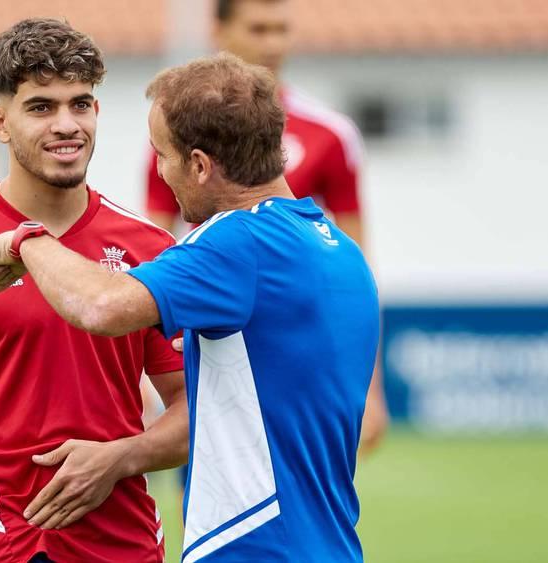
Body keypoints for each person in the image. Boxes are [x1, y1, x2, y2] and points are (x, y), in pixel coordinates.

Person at [0, 53, 379, 562]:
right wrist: (123, 456)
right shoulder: (337, 249)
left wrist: (25, 242)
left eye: (161, 155)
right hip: (330, 543)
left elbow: (100, 306)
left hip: (255, 547)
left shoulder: (237, 243)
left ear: (200, 165)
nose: (160, 173)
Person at [0, 19, 188, 563]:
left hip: (126, 547)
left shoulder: (151, 248)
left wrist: (120, 458)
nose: (66, 124)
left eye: (80, 104)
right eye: (41, 107)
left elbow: (194, 409)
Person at [144, 0, 388, 454]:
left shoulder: (330, 134)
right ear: (219, 32)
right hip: (209, 343)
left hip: (294, 354)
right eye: (258, 29)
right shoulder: (178, 134)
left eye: (281, 30)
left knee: (302, 485)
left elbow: (355, 266)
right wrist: (148, 369)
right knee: (202, 494)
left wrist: (371, 388)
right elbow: (154, 246)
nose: (273, 44)